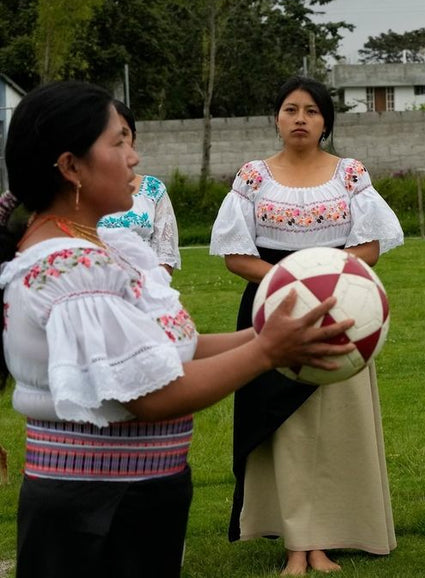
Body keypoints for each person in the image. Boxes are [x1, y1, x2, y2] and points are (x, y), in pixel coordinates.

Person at [0, 81, 355, 577]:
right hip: (95, 509)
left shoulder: (104, 247)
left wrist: (269, 333)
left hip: (132, 500)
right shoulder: (68, 267)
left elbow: (167, 349)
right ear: (69, 166)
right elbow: (152, 395)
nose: (133, 157)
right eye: (119, 141)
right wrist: (267, 352)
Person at [210, 76, 404, 575]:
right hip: (271, 313)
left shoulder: (350, 175)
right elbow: (236, 255)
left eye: (312, 111)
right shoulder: (252, 178)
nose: (301, 118)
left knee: (337, 430)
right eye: (291, 109)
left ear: (325, 122)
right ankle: (296, 543)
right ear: (276, 117)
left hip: (341, 312)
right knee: (285, 430)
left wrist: (326, 284)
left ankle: (328, 540)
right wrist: (292, 282)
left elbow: (370, 248)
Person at [97, 100, 181, 274]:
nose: (115, 142)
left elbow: (165, 255)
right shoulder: (76, 191)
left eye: (122, 134)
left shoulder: (153, 189)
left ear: (133, 139)